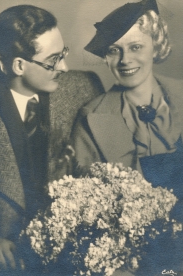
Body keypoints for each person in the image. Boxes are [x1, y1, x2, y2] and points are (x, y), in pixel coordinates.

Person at [0, 5, 105, 273]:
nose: (64, 66)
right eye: (52, 60)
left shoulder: (85, 88)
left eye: (63, 53)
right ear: (18, 65)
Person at [72, 0, 183, 274]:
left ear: (155, 46)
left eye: (136, 47)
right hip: (136, 261)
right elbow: (85, 210)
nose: (125, 60)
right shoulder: (90, 118)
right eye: (114, 50)